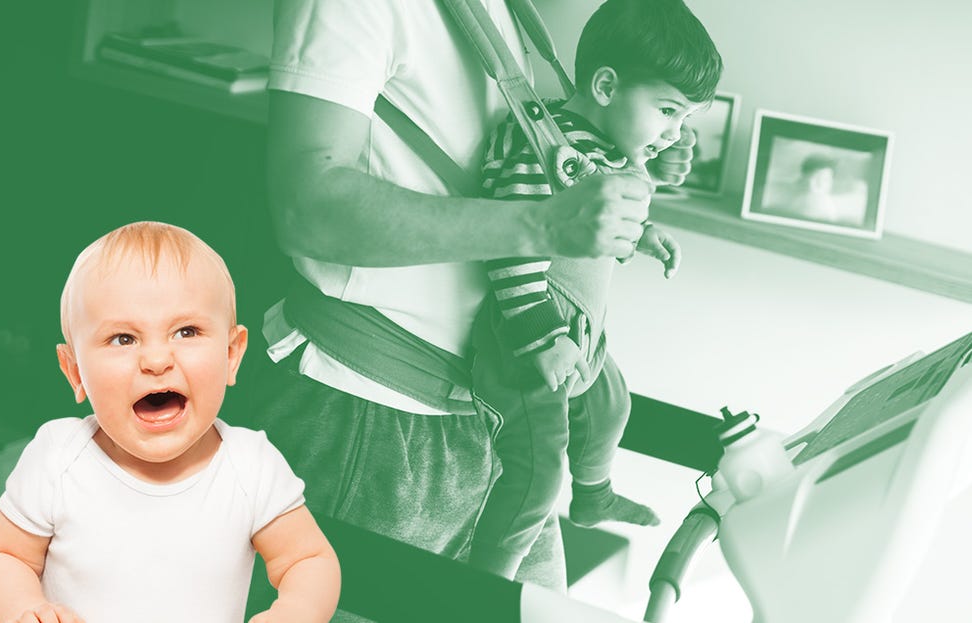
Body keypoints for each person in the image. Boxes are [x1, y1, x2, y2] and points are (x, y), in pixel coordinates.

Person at [253, 0, 695, 609]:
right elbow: (307, 208)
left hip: (493, 419)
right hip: (376, 419)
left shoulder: (511, 14)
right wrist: (543, 228)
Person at [467, 0, 723, 579]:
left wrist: (644, 234)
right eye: (667, 111)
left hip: (580, 326)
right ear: (606, 85)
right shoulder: (542, 146)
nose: (672, 134)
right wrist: (541, 336)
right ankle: (488, 576)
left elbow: (595, 227)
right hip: (527, 329)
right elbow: (512, 246)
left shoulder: (601, 150)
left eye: (683, 120)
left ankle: (596, 495)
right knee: (537, 470)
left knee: (612, 406)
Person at [0, 222, 341, 623]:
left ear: (231, 355)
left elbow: (308, 559)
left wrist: (295, 612)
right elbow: (5, 555)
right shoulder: (58, 459)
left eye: (186, 331)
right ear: (74, 371)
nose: (157, 361)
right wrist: (25, 609)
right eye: (123, 338)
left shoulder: (250, 465)